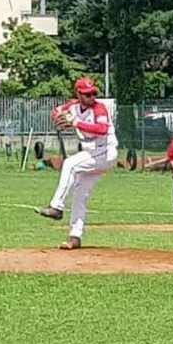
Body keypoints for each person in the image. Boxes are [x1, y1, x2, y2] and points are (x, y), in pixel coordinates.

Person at [36, 77, 118, 249]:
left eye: (93, 93)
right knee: (80, 195)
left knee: (70, 164)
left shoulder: (99, 108)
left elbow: (101, 129)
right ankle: (75, 236)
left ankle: (56, 207)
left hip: (105, 152)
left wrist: (75, 122)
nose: (91, 97)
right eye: (87, 94)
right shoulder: (72, 106)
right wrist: (59, 117)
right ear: (78, 94)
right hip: (91, 154)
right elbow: (56, 111)